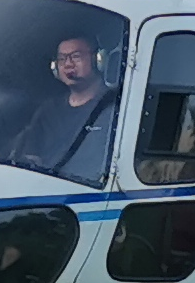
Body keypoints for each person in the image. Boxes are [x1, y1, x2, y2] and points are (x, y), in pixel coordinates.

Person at [12, 29, 122, 178]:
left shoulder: (116, 106)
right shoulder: (48, 111)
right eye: (62, 59)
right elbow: (31, 156)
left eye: (76, 57)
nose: (68, 64)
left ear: (98, 60)